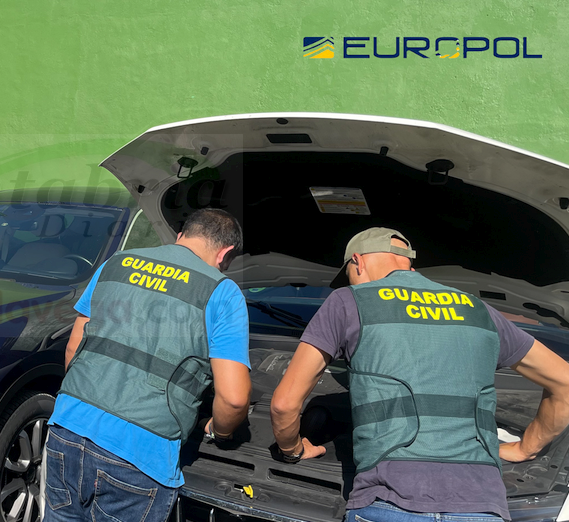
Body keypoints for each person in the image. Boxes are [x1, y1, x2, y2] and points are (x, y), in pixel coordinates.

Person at [270, 227, 569, 521]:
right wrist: (525, 449)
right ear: (408, 263)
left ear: (357, 262)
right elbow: (564, 382)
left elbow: (284, 404)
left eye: (348, 275)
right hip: (480, 505)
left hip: (386, 504)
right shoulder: (479, 309)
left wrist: (292, 450)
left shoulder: (348, 300)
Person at [44, 208, 252, 522]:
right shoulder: (222, 291)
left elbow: (74, 348)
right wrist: (218, 432)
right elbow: (234, 399)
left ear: (181, 235)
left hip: (67, 427)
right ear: (225, 253)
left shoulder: (117, 263)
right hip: (138, 456)